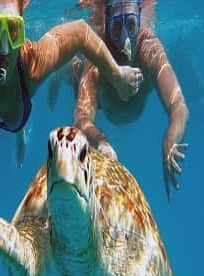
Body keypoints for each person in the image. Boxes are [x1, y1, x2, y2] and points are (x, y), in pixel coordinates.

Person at [0, 0, 141, 166]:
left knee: (14, 99)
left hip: (9, 92)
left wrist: (117, 75)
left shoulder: (31, 63)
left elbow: (81, 32)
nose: (4, 49)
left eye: (13, 31)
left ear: (22, 31)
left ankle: (19, 130)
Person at [72, 0, 189, 199]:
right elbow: (81, 118)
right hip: (99, 101)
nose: (125, 38)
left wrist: (170, 139)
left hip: (109, 103)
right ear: (106, 24)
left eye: (132, 25)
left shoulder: (148, 47)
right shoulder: (97, 50)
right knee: (73, 71)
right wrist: (101, 142)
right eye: (117, 27)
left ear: (140, 20)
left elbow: (179, 106)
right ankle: (63, 74)